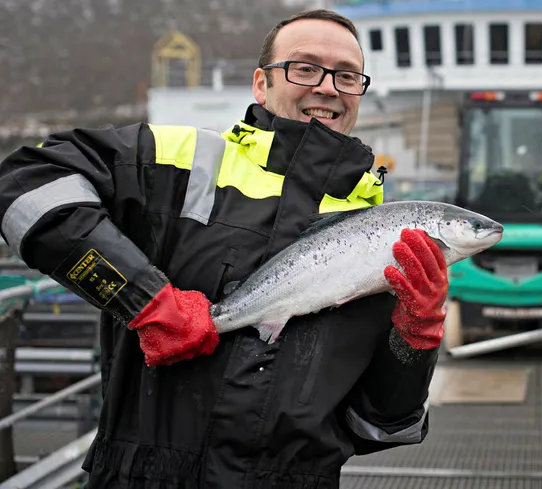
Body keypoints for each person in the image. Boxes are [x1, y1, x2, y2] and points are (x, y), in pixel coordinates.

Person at [0, 9, 448, 488]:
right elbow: (25, 184)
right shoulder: (175, 161)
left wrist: (414, 343)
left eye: (346, 75)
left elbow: (378, 426)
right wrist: (144, 299)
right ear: (261, 83)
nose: (327, 87)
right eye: (304, 68)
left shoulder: (386, 239)